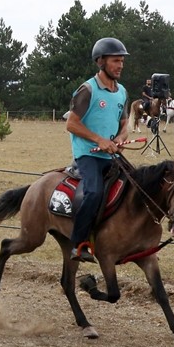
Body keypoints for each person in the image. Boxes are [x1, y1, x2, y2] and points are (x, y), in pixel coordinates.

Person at [63, 37, 131, 262]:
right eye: (115, 61)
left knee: (137, 185)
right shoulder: (88, 89)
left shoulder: (121, 92)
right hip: (87, 155)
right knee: (94, 192)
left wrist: (121, 138)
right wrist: (99, 140)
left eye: (122, 61)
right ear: (101, 62)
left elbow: (124, 124)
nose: (120, 65)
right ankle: (79, 243)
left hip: (112, 155)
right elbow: (71, 124)